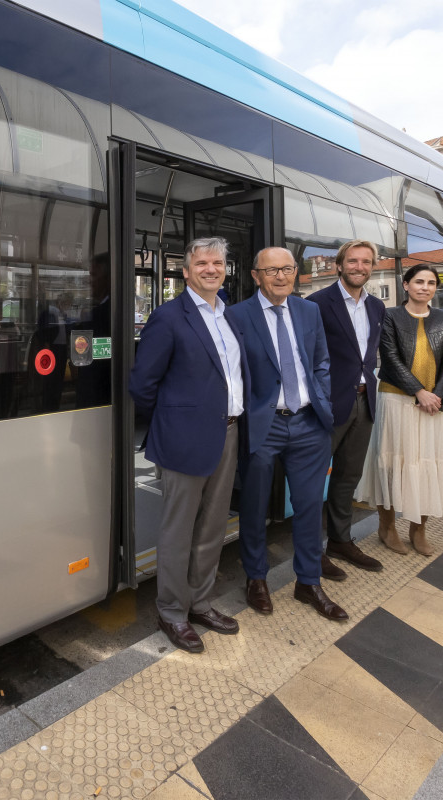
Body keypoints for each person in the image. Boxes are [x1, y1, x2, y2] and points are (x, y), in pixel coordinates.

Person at [130, 237, 247, 652]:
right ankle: (172, 612)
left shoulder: (229, 315)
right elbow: (143, 384)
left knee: (213, 528)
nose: (211, 269)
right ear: (186, 271)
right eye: (202, 263)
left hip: (228, 432)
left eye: (218, 263)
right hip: (183, 439)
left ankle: (200, 601)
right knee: (178, 531)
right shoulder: (168, 317)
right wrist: (175, 421)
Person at [227, 247, 347, 621]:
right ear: (256, 275)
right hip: (265, 423)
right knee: (254, 504)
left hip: (309, 422)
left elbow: (321, 361)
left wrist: (321, 400)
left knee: (311, 506)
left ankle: (308, 582)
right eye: (272, 270)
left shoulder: (308, 310)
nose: (281, 276)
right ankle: (256, 579)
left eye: (288, 269)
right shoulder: (236, 315)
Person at [356, 264, 443, 556]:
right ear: (405, 285)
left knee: (428, 464)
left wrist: (437, 396)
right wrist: (419, 391)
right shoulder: (389, 316)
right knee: (391, 465)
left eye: (431, 283)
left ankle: (418, 529)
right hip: (396, 400)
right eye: (419, 282)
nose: (425, 287)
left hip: (434, 406)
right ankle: (387, 528)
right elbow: (388, 358)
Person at [306, 240, 386, 578]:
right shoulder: (316, 304)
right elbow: (305, 359)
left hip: (364, 401)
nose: (359, 267)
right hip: (328, 405)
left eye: (366, 262)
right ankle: (312, 552)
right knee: (312, 482)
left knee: (347, 477)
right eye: (352, 261)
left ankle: (340, 540)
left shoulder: (376, 307)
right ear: (339, 265)